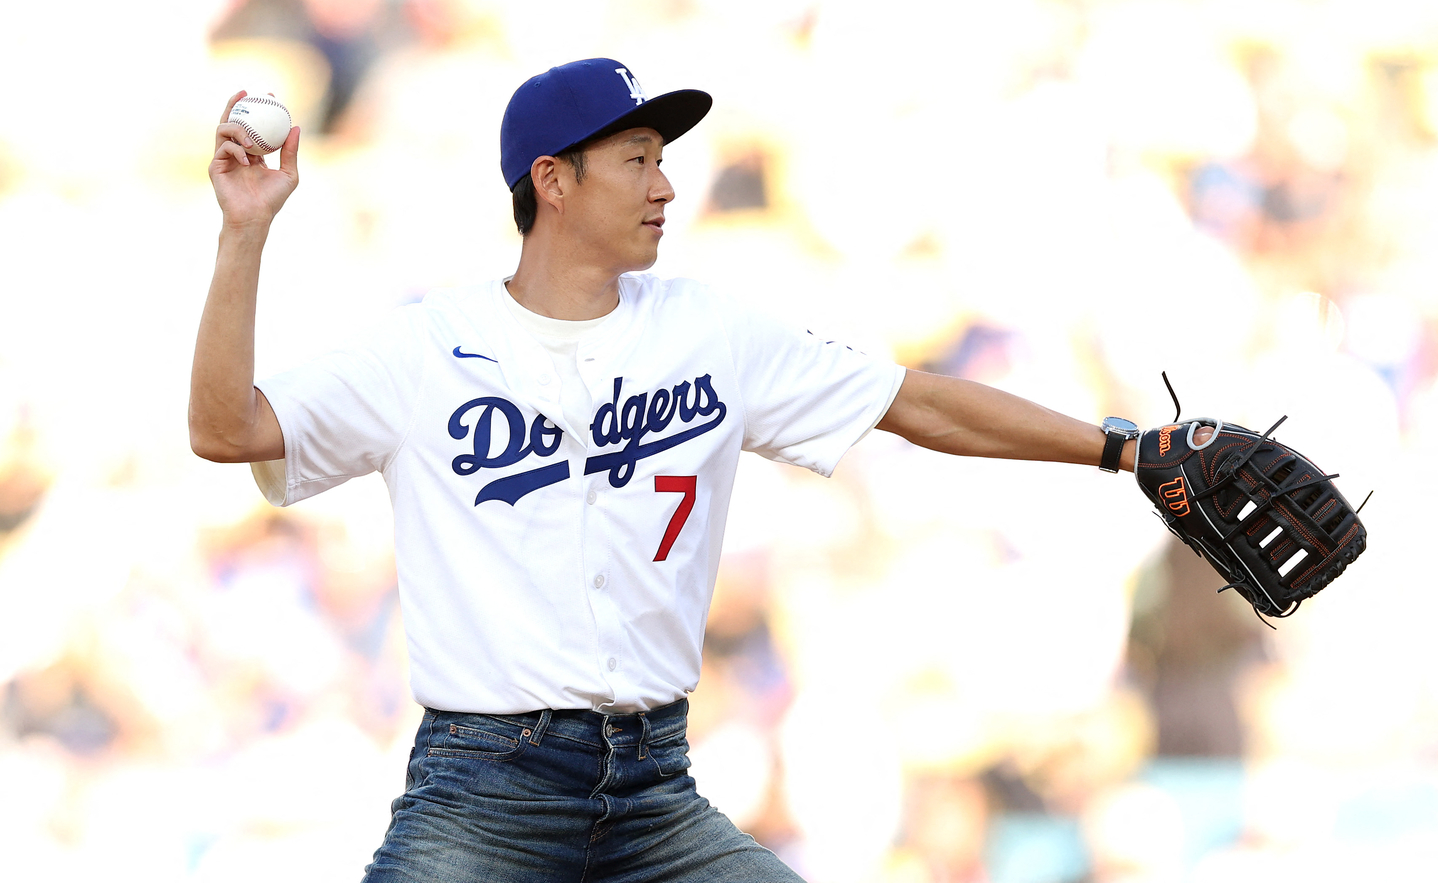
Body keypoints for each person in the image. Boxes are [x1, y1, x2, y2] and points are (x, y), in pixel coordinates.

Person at [191, 58, 1163, 882]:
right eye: (635, 161)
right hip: (485, 785)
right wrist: (244, 233)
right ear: (554, 180)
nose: (663, 186)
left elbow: (918, 403)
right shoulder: (426, 348)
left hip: (654, 784)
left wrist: (1125, 447)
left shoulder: (709, 329)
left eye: (661, 161)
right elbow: (226, 428)